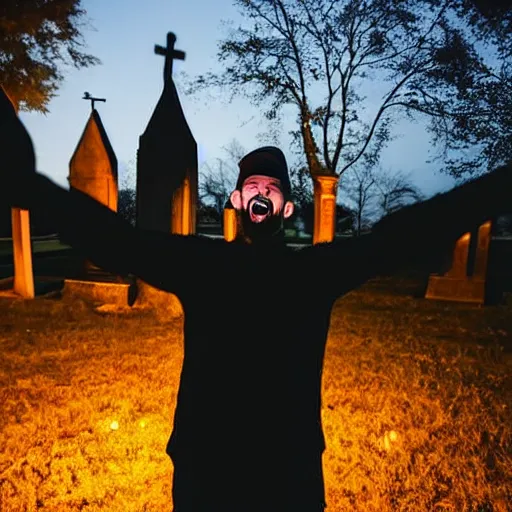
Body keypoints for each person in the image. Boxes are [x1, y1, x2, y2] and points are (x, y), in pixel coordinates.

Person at [1, 86, 511, 512]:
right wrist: (34, 190)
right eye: (251, 185)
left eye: (272, 186)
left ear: (287, 206)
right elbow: (119, 241)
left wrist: (495, 188)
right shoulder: (203, 265)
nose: (261, 192)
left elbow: (399, 237)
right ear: (238, 202)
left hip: (286, 473)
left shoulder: (314, 272)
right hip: (208, 469)